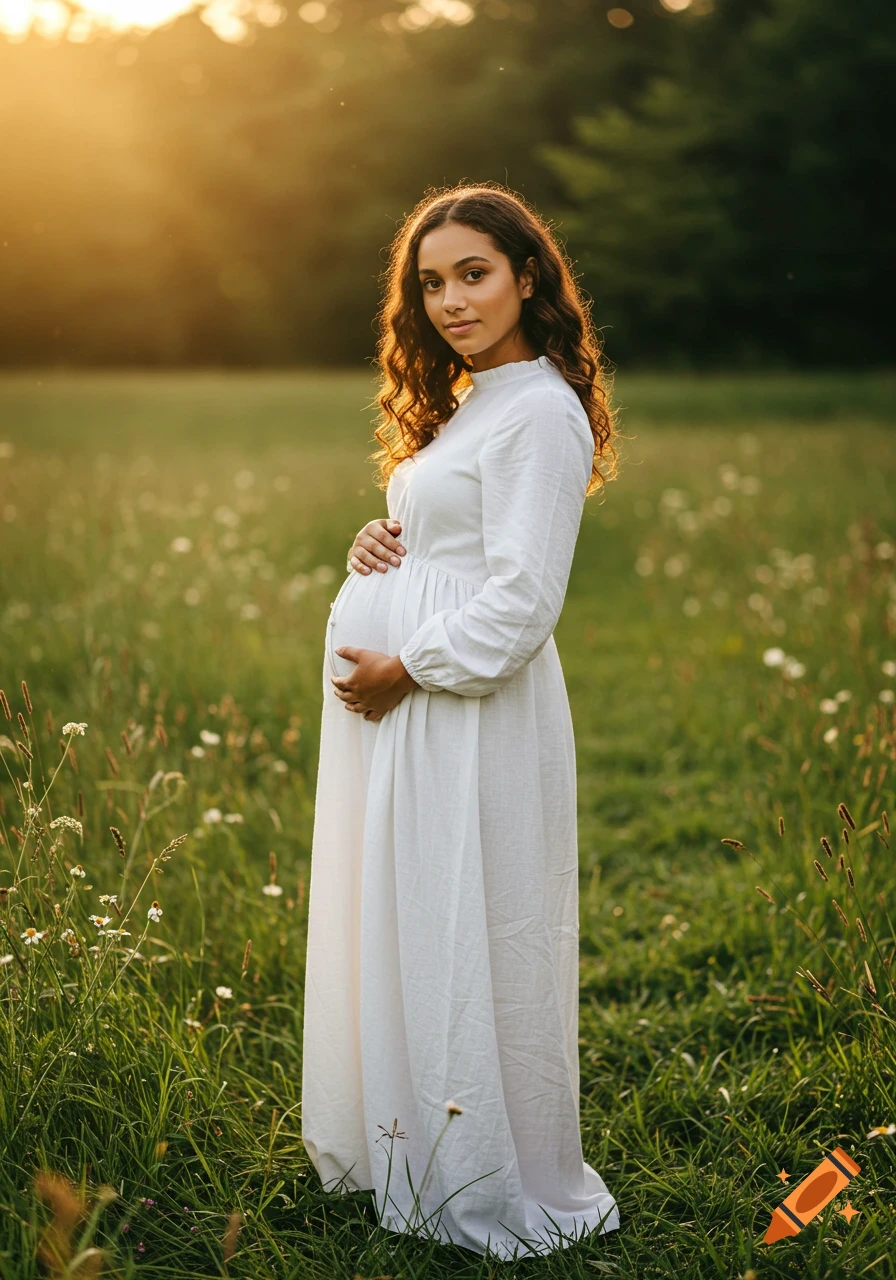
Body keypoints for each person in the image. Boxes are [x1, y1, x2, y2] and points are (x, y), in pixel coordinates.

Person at [301, 182, 622, 1261]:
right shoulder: (475, 400)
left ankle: (480, 1166)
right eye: (430, 282)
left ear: (527, 276)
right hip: (413, 703)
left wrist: (411, 661)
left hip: (458, 703)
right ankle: (409, 1140)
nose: (449, 299)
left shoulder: (538, 408)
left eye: (472, 273)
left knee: (463, 922)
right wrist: (381, 541)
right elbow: (455, 540)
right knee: (413, 916)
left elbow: (526, 596)